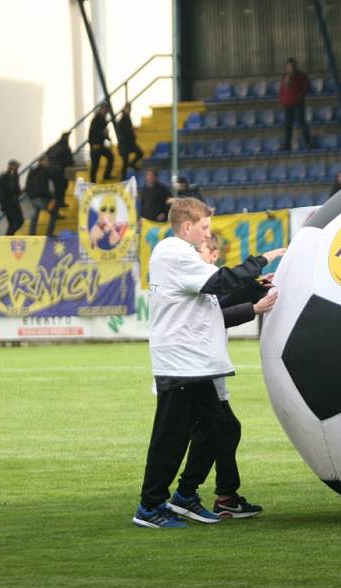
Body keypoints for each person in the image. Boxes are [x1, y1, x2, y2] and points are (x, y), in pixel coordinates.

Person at [133, 197, 285, 528]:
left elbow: (213, 297)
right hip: (181, 363)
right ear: (187, 226)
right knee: (170, 438)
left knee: (222, 427)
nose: (207, 234)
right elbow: (219, 283)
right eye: (204, 228)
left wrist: (253, 290)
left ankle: (188, 496)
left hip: (196, 364)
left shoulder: (180, 254)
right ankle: (150, 505)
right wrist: (262, 260)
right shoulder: (174, 252)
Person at [175, 233, 276, 520]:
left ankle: (222, 496)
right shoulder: (192, 280)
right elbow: (211, 316)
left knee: (221, 428)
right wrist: (253, 308)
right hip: (194, 367)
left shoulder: (205, 282)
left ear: (214, 254)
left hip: (205, 366)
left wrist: (255, 288)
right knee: (213, 429)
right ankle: (186, 494)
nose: (196, 256)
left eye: (200, 251)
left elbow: (222, 299)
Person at [279, 58, 311, 152]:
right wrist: (282, 100)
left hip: (298, 102)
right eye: (289, 66)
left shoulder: (301, 76)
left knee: (302, 122)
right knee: (288, 125)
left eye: (292, 66)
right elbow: (282, 90)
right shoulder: (284, 76)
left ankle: (308, 142)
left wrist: (299, 94)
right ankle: (287, 145)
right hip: (288, 103)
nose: (291, 68)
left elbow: (305, 88)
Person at [26, 156, 58, 237]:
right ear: (41, 162)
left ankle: (31, 233)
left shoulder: (32, 171)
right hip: (41, 197)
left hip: (32, 197)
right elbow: (44, 186)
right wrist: (51, 198)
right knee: (54, 212)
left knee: (35, 215)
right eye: (46, 161)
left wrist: (30, 195)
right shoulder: (44, 172)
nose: (48, 163)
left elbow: (28, 184)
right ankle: (49, 233)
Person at [0, 159, 23, 235]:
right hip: (9, 204)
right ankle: (7, 237)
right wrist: (3, 201)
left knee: (15, 222)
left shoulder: (13, 175)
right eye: (15, 166)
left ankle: (8, 238)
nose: (16, 167)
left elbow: (16, 188)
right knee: (18, 221)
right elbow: (4, 190)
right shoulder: (4, 177)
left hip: (13, 203)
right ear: (10, 166)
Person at [45, 132, 73, 209]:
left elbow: (47, 154)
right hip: (58, 170)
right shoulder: (65, 146)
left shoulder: (54, 146)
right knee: (62, 186)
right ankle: (59, 203)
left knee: (58, 187)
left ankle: (58, 202)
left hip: (51, 170)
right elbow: (69, 159)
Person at [117, 103, 144, 181]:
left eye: (130, 108)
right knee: (126, 161)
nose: (129, 110)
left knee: (139, 153)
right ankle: (123, 177)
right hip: (125, 143)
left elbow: (127, 130)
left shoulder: (126, 117)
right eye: (128, 108)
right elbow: (124, 131)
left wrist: (132, 130)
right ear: (125, 108)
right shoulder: (123, 118)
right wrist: (132, 130)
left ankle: (130, 166)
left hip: (128, 143)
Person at [88, 103, 114, 183]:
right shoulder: (97, 119)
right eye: (106, 110)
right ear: (102, 109)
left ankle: (106, 175)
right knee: (95, 165)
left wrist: (107, 137)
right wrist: (93, 144)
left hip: (99, 145)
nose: (107, 112)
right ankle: (93, 182)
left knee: (110, 157)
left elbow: (102, 133)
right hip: (95, 145)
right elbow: (93, 133)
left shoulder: (102, 119)